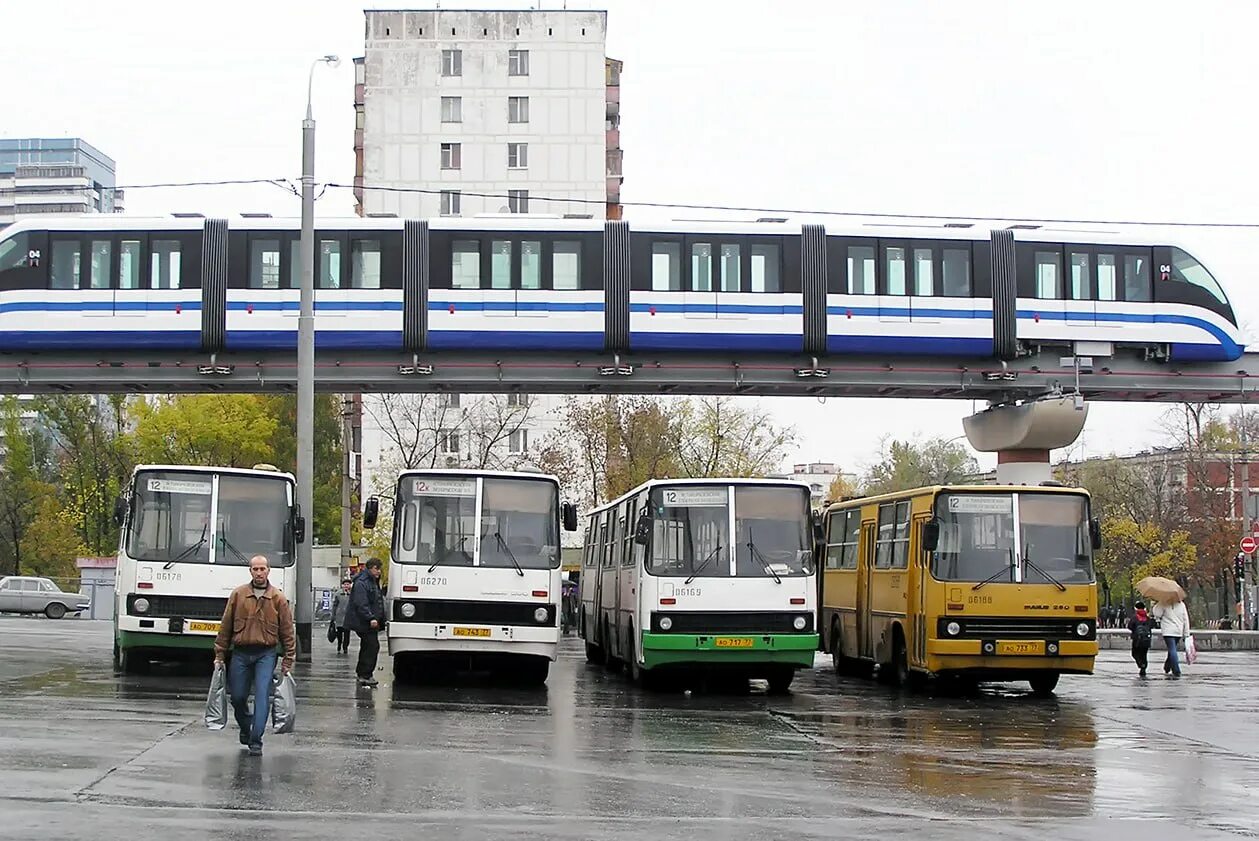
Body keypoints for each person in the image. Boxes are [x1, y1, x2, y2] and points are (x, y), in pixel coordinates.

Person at [213, 555, 297, 756]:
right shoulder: (238, 595)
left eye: (262, 569)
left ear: (269, 571)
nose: (259, 573)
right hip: (241, 653)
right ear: (250, 571)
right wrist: (219, 654)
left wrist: (288, 658)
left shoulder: (278, 598)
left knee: (262, 697)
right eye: (255, 569)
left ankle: (256, 740)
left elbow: (287, 631)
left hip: (266, 655)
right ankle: (246, 726)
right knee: (238, 697)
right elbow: (226, 626)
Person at [343, 559, 386, 688]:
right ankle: (365, 675)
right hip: (365, 622)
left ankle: (363, 673)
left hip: (367, 621)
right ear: (370, 568)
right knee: (372, 646)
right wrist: (371, 618)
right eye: (376, 568)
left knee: (368, 646)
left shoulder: (369, 581)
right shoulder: (363, 583)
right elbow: (361, 603)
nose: (378, 571)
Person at [1152, 596, 1190, 679]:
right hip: (1178, 631)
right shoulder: (1181, 604)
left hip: (1168, 631)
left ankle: (1176, 670)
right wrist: (1186, 633)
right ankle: (1167, 666)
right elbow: (1185, 619)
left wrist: (1157, 603)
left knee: (1172, 649)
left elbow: (1157, 613)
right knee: (1172, 649)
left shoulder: (1164, 603)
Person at [1127, 600, 1153, 677]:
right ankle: (1144, 667)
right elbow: (1151, 626)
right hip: (1146, 640)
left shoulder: (1135, 617)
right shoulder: (1147, 618)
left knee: (1134, 653)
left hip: (1137, 640)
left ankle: (1140, 664)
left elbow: (1130, 626)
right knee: (1144, 654)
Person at [331, 578, 353, 654]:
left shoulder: (353, 594)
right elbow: (334, 605)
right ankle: (339, 644)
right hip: (339, 616)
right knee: (339, 633)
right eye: (345, 584)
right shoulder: (338, 594)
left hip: (348, 617)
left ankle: (345, 647)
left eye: (348, 584)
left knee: (347, 634)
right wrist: (333, 616)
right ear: (342, 585)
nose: (346, 586)